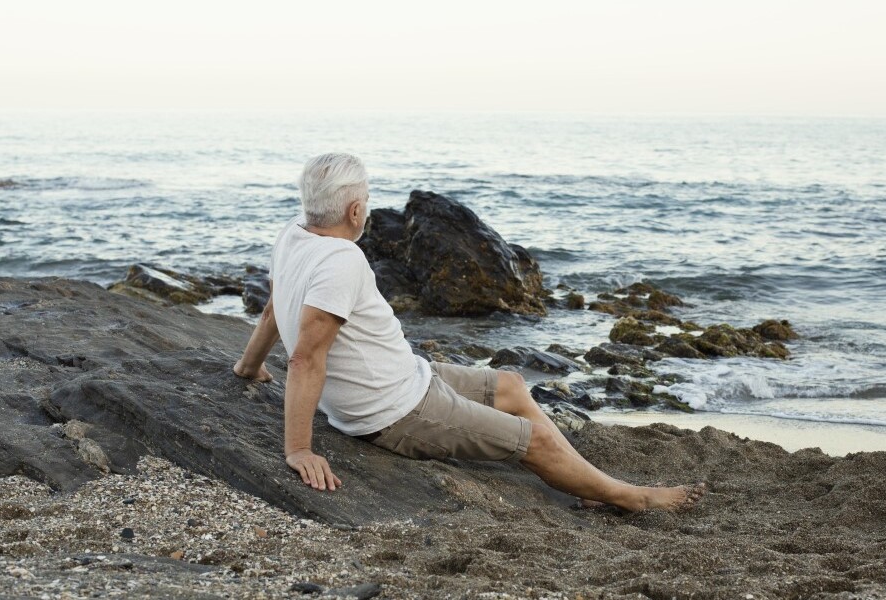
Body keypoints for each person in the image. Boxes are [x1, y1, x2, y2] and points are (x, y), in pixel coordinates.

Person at [233, 153, 705, 512]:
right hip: (397, 411)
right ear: (355, 211)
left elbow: (274, 308)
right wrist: (299, 449)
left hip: (409, 376)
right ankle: (630, 497)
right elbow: (306, 357)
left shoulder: (293, 233)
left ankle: (589, 482)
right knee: (534, 441)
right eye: (368, 202)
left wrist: (248, 367)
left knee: (512, 385)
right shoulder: (341, 260)